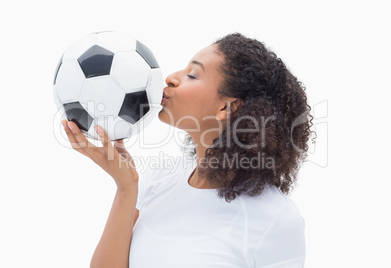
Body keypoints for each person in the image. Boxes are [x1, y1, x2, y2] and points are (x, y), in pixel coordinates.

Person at [61, 33, 313, 268]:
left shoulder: (275, 220)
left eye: (192, 74)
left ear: (227, 107)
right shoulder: (158, 180)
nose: (171, 77)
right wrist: (126, 188)